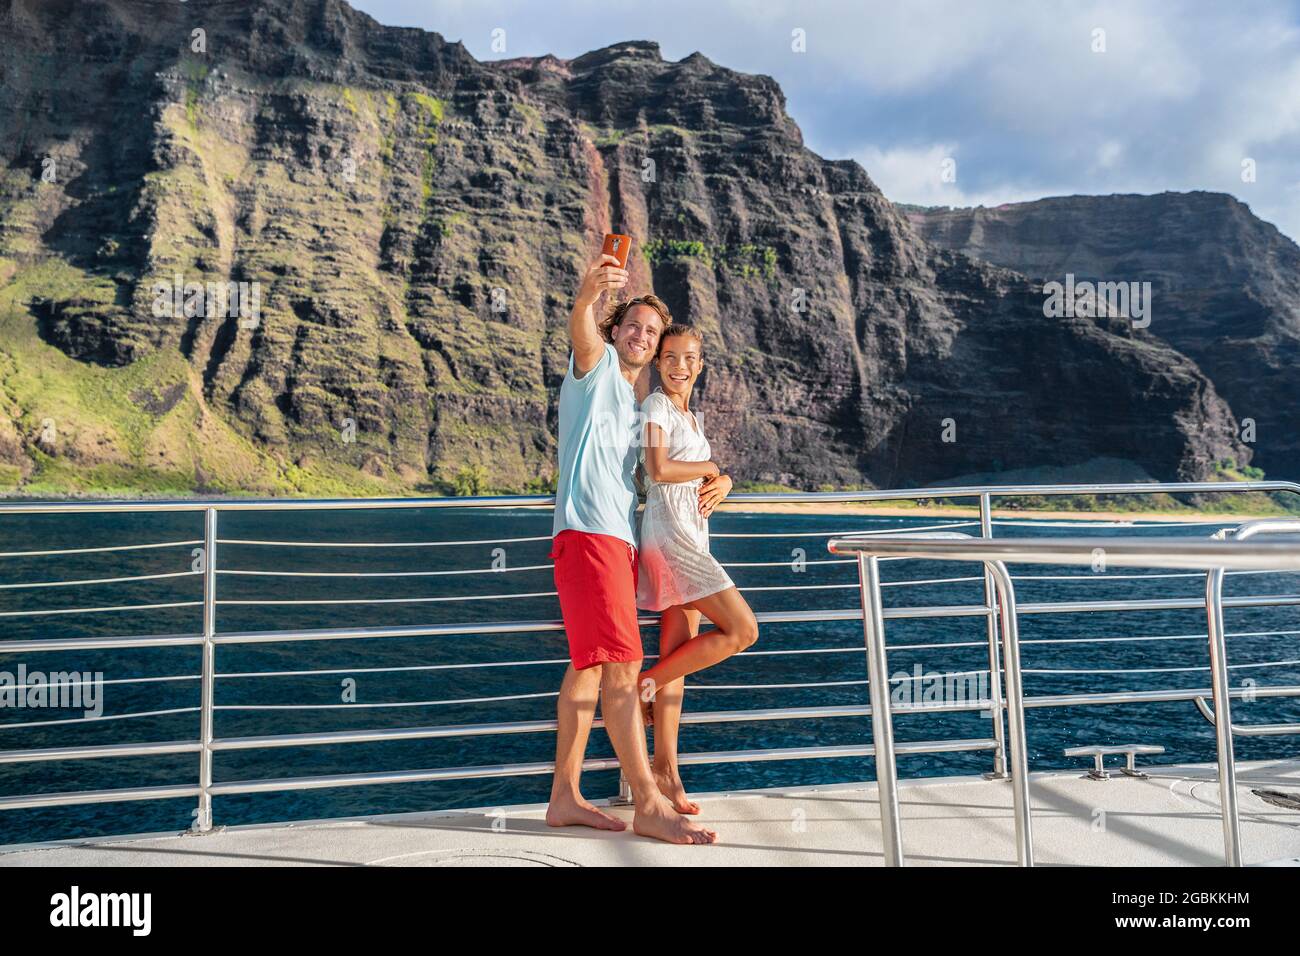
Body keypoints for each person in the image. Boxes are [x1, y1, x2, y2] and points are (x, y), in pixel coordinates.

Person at [544, 253, 718, 845]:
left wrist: (717, 478)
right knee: (624, 668)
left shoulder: (634, 408)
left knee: (588, 669)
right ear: (616, 331)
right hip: (589, 538)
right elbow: (581, 330)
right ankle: (647, 801)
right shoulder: (593, 369)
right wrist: (587, 294)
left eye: (652, 331)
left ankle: (563, 795)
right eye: (634, 326)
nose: (643, 336)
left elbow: (662, 473)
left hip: (613, 545)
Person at [634, 324, 759, 814]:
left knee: (681, 659)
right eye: (668, 356)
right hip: (673, 542)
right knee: (743, 629)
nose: (678, 365)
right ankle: (647, 680)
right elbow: (659, 469)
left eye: (688, 358)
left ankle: (665, 770)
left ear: (700, 364)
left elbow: (701, 474)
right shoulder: (656, 407)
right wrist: (710, 469)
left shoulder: (690, 415)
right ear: (657, 362)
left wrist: (723, 477)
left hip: (689, 536)